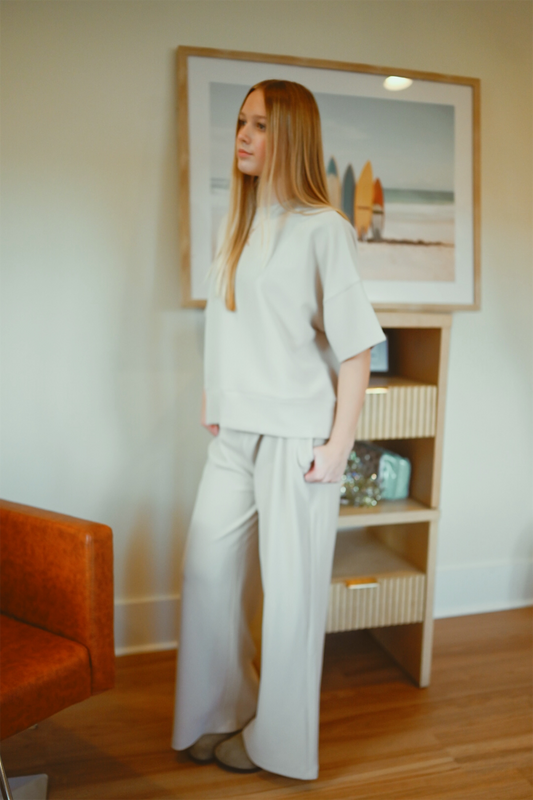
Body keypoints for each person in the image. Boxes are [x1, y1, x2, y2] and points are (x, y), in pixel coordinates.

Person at [172, 79, 385, 781]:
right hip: (235, 432)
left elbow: (354, 347)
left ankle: (278, 745)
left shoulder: (324, 228)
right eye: (240, 121)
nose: (242, 134)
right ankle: (216, 712)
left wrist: (339, 443)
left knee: (291, 596)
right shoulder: (237, 226)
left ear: (289, 135)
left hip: (297, 436)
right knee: (206, 566)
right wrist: (214, 394)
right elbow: (230, 324)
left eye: (259, 124)